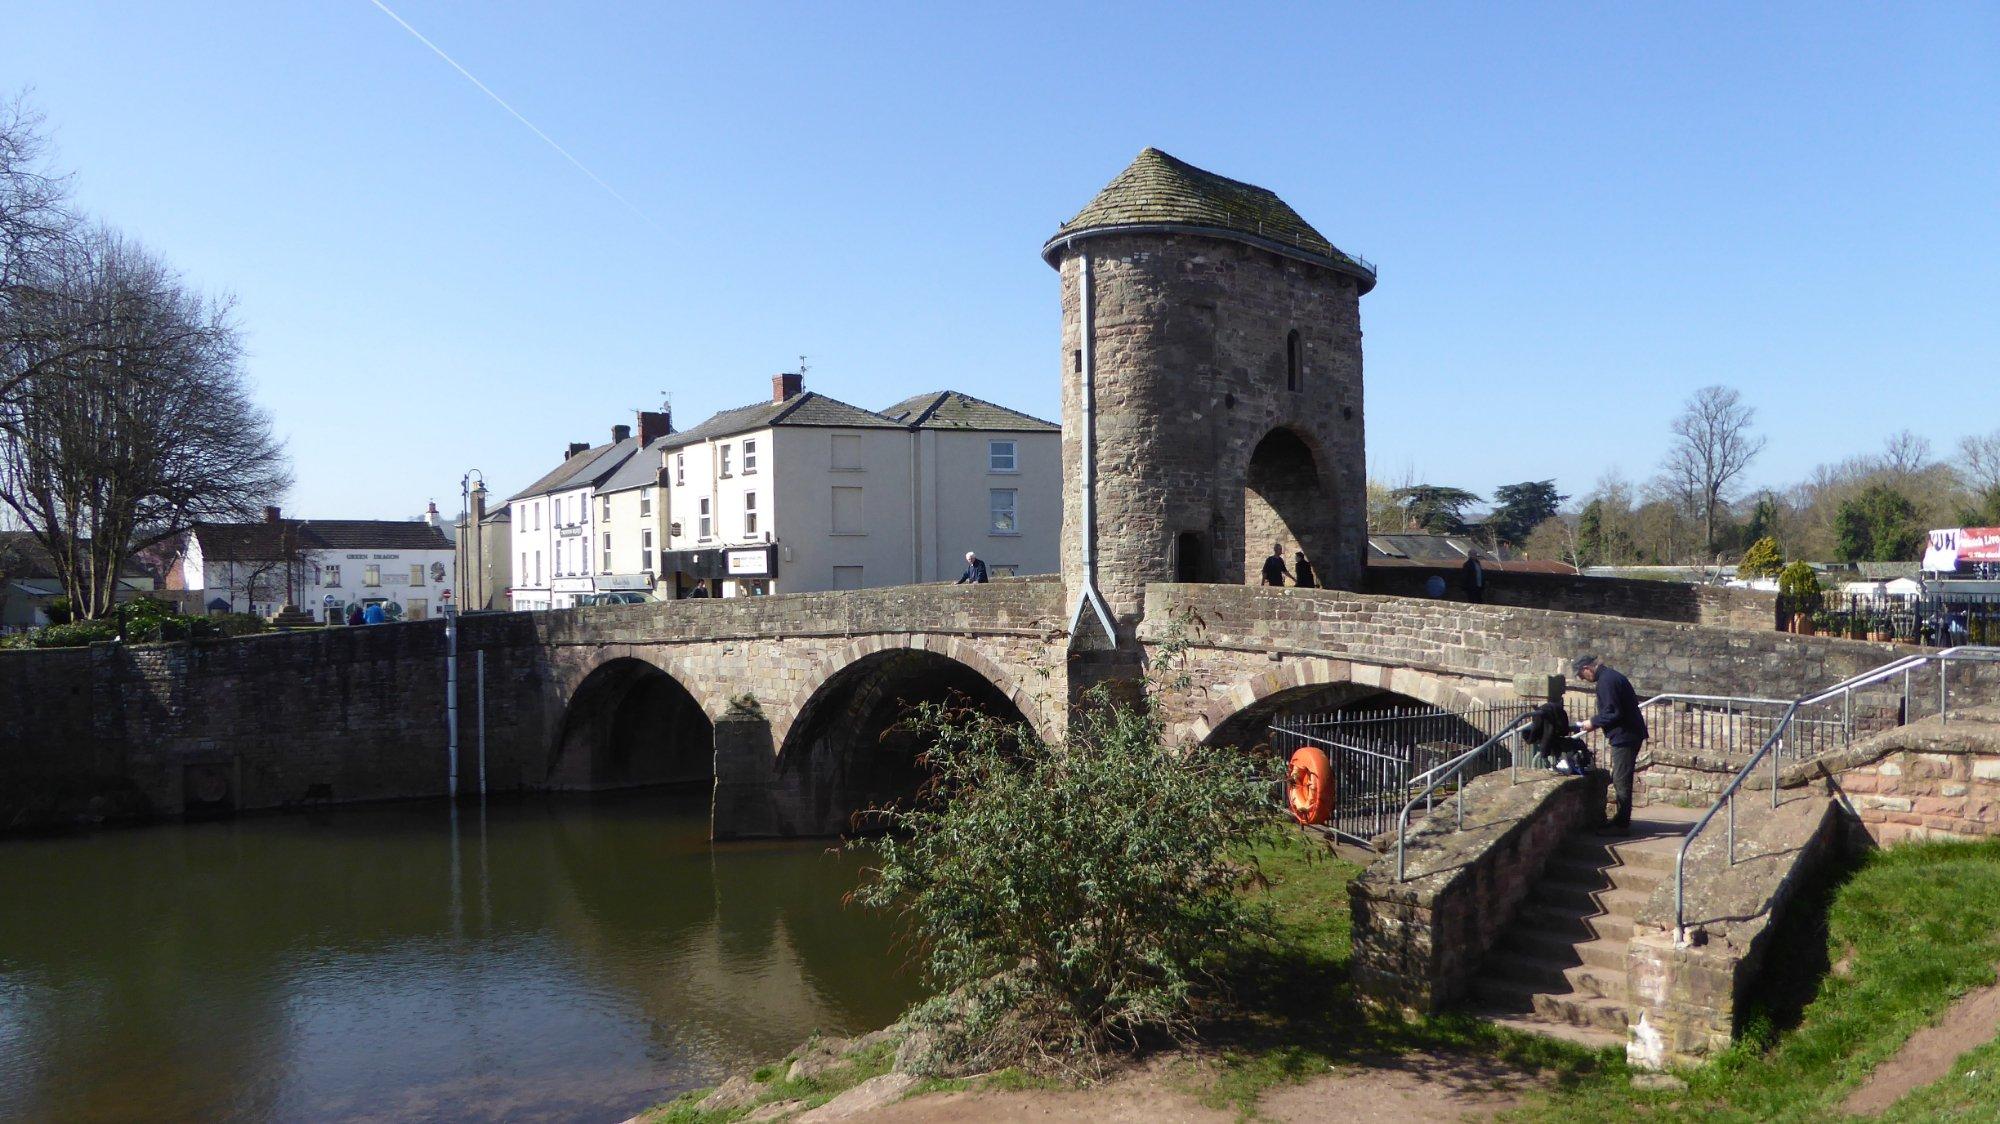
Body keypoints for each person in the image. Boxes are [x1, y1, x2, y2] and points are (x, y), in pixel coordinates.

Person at [1573, 654, 1648, 834]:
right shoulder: (1611, 677)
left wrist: (1592, 722)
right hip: (1629, 734)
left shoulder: (1606, 681)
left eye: (1582, 676)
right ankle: (1620, 820)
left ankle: (1621, 825)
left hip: (1625, 736)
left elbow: (1612, 712)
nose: (1583, 679)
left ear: (1587, 669)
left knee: (1621, 779)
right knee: (1621, 777)